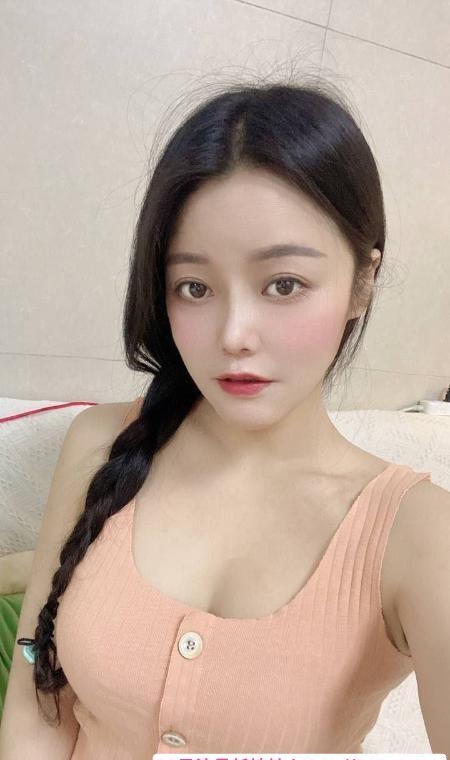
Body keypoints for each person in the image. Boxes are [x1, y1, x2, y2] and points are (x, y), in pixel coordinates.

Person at [2, 75, 449, 759]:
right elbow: (38, 704)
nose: (234, 334)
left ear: (362, 281)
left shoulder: (419, 537)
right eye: (195, 287)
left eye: (283, 284)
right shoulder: (100, 444)